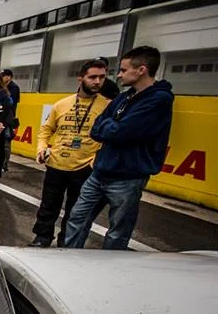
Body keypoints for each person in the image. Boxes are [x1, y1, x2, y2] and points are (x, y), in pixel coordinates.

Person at [64, 46, 174, 250]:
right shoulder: (124, 97)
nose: (119, 75)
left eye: (123, 70)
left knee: (118, 231)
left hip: (128, 177)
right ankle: (69, 257)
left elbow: (122, 132)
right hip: (100, 172)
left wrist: (113, 127)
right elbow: (97, 128)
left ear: (141, 70)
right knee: (77, 218)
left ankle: (111, 264)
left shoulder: (159, 99)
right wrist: (113, 127)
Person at [30, 59, 110, 247]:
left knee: (76, 211)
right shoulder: (61, 104)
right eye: (92, 77)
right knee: (48, 205)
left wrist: (96, 161)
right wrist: (41, 149)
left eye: (102, 77)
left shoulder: (108, 106)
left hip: (85, 167)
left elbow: (110, 138)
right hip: (56, 163)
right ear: (81, 78)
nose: (97, 82)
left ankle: (66, 242)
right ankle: (42, 238)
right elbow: (46, 130)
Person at [1, 69, 21, 171]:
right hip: (0, 118)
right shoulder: (1, 87)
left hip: (8, 118)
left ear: (9, 77)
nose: (2, 78)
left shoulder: (14, 88)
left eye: (3, 76)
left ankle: (4, 164)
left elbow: (11, 103)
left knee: (6, 143)